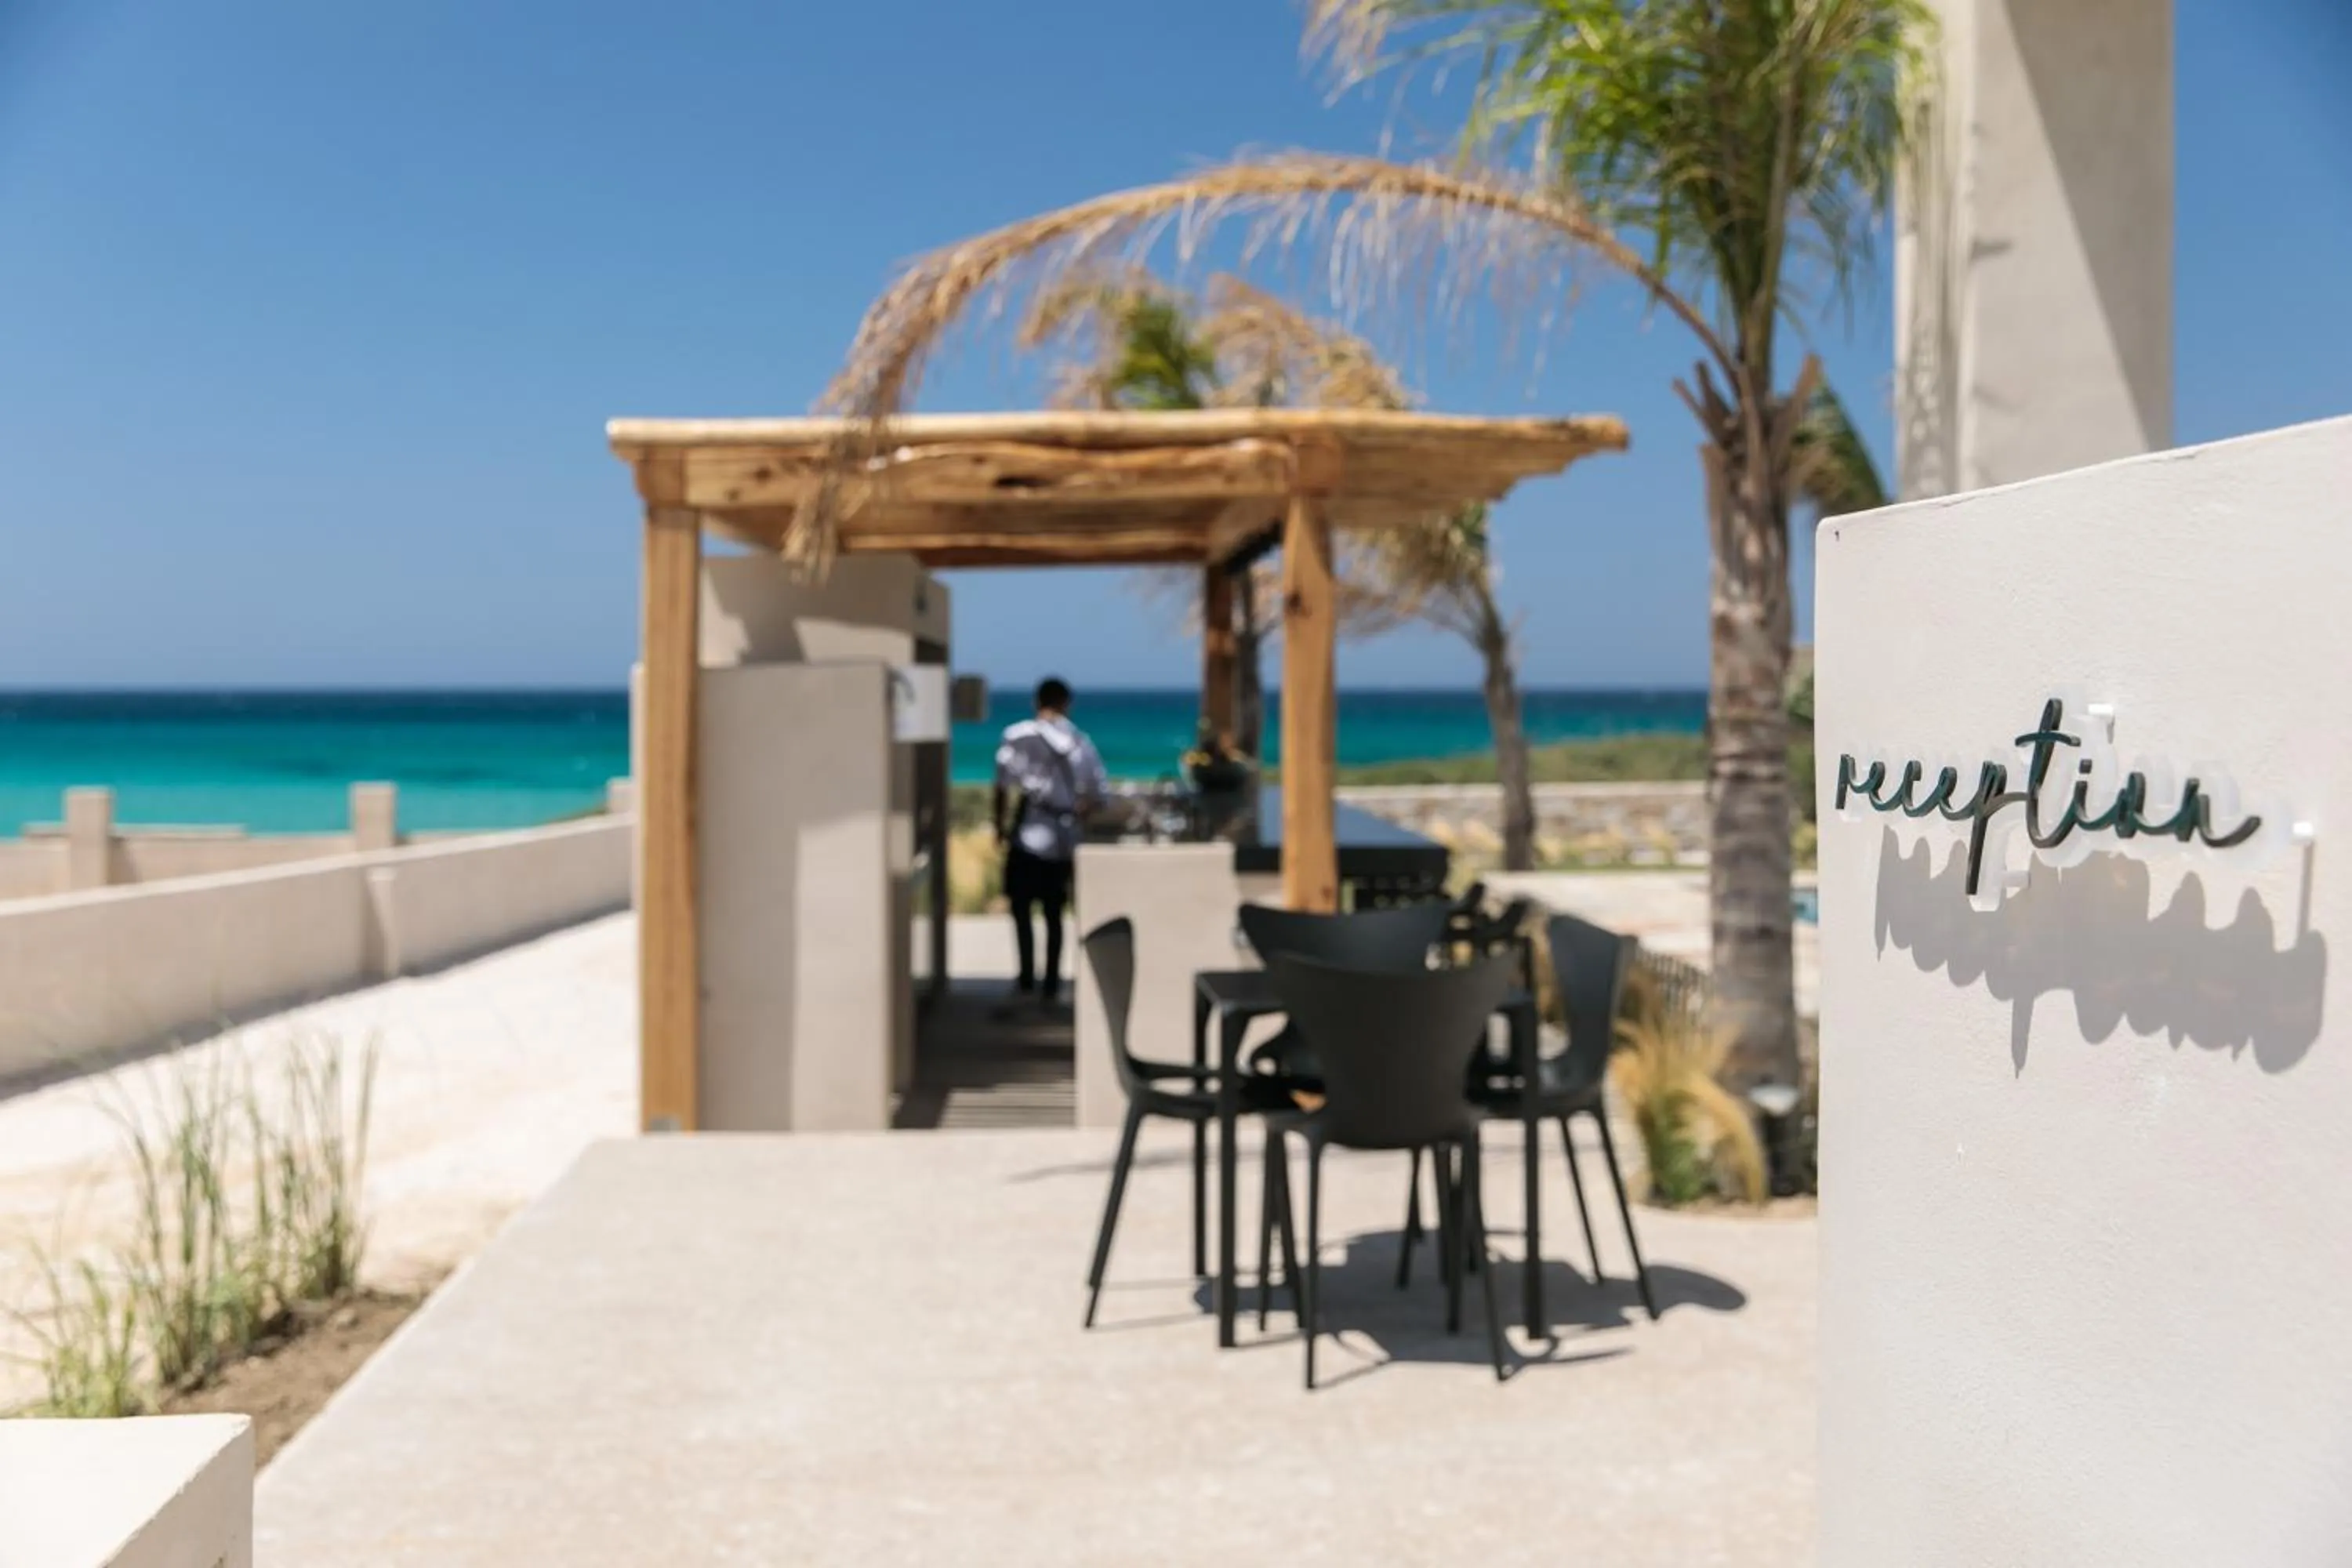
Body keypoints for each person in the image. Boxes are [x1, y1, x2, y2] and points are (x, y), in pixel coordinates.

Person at [993, 677, 1106, 1007]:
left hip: (1027, 833)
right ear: (1066, 703)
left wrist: (999, 827)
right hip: (1062, 837)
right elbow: (1099, 794)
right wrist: (1076, 812)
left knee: (1021, 909)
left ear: (1036, 701)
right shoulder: (1079, 742)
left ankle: (1026, 977)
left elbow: (1002, 786)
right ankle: (1052, 984)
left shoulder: (1017, 736)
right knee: (1055, 914)